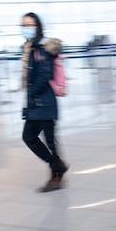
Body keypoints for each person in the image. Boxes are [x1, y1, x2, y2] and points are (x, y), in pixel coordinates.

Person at [20, 12, 69, 192]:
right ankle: (57, 166)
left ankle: (56, 174)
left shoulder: (42, 48)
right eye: (23, 25)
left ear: (37, 26)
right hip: (36, 103)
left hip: (44, 102)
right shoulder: (29, 48)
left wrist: (33, 94)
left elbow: (45, 74)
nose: (26, 28)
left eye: (29, 25)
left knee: (49, 140)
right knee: (29, 137)